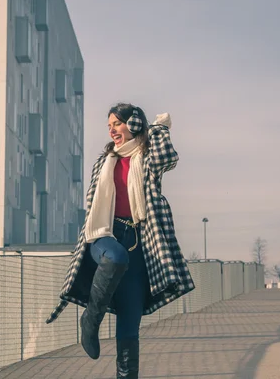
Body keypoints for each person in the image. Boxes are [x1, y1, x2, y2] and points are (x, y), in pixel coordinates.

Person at [46, 103, 195, 378]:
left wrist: (159, 129)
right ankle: (90, 321)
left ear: (134, 124)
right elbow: (94, 204)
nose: (111, 129)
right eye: (109, 125)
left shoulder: (147, 158)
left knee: (129, 328)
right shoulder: (106, 161)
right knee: (115, 258)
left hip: (139, 241)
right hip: (104, 233)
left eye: (117, 123)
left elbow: (168, 157)